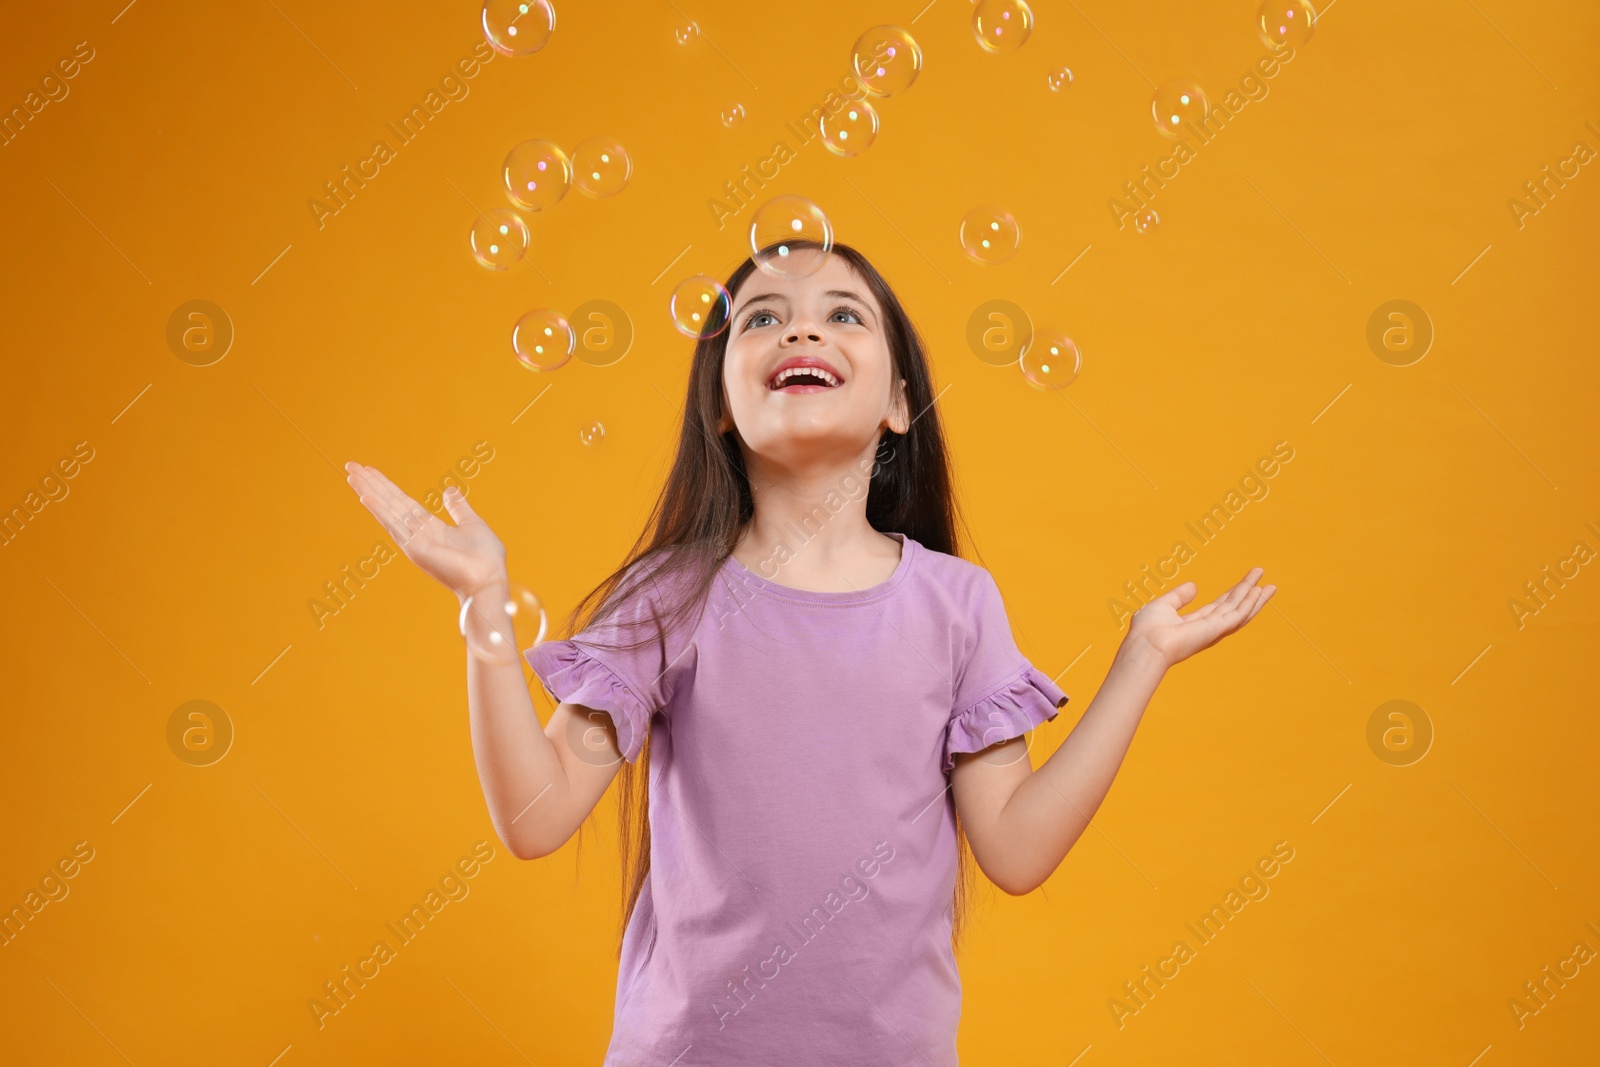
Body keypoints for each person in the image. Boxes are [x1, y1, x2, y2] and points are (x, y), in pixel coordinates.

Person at [343, 240, 1275, 1064]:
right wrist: (485, 607)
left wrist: (1140, 659)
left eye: (842, 315)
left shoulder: (957, 605)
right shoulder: (672, 596)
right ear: (718, 405)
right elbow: (536, 816)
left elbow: (1018, 849)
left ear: (901, 402)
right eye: (762, 318)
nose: (802, 333)